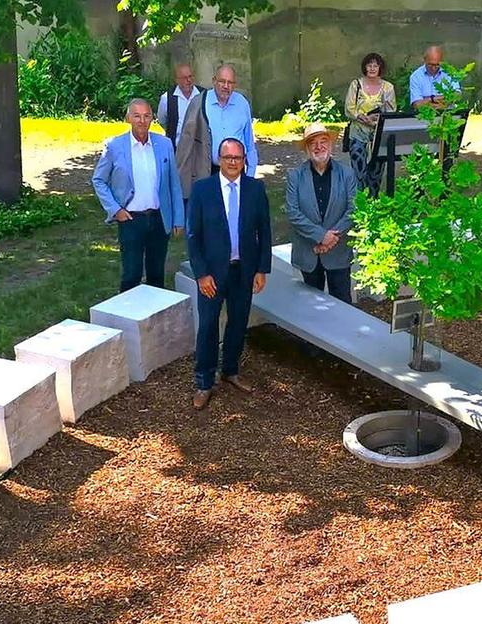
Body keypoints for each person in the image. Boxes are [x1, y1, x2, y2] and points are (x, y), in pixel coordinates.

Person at [186, 139, 273, 410]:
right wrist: (201, 274)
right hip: (212, 273)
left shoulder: (255, 189)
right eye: (227, 157)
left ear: (244, 159)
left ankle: (231, 370)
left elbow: (265, 232)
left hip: (243, 271)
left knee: (238, 322)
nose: (233, 162)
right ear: (219, 159)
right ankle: (203, 381)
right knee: (209, 325)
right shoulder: (202, 190)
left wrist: (261, 269)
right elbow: (193, 236)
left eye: (237, 157)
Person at [91, 99, 185, 292]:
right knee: (132, 274)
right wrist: (115, 210)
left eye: (146, 116)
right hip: (131, 220)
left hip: (159, 219)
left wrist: (178, 219)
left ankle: (156, 318)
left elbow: (173, 183)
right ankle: (128, 317)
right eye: (137, 116)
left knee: (157, 274)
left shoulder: (164, 144)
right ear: (128, 118)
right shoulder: (114, 147)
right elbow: (98, 180)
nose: (142, 121)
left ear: (152, 118)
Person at [285, 123, 358, 303]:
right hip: (309, 252)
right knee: (311, 308)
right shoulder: (295, 176)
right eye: (313, 143)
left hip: (338, 251)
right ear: (307, 149)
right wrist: (320, 236)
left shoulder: (347, 174)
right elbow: (293, 212)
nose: (319, 147)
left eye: (323, 141)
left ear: (331, 145)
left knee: (342, 304)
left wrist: (330, 239)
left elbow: (353, 209)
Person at [177, 64, 260, 195]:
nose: (226, 86)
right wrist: (181, 182)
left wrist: (249, 177)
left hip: (237, 173)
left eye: (230, 82)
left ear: (235, 84)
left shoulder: (242, 103)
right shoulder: (199, 103)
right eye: (222, 81)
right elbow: (186, 145)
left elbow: (249, 144)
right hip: (209, 173)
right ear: (214, 81)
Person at [344, 52, 397, 196]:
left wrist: (377, 118)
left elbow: (391, 111)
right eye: (369, 65)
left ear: (380, 68)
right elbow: (349, 109)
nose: (372, 68)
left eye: (376, 65)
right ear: (365, 67)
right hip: (358, 132)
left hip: (378, 134)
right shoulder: (356, 85)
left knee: (377, 171)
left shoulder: (388, 88)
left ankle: (373, 201)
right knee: (358, 171)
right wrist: (362, 117)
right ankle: (359, 203)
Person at [156, 63, 203, 148]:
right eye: (184, 78)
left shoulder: (203, 95)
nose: (188, 80)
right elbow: (162, 121)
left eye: (190, 76)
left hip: (200, 150)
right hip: (177, 149)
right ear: (176, 80)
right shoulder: (167, 98)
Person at [409, 45, 461, 110]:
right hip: (425, 116)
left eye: (437, 65)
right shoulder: (416, 76)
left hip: (448, 114)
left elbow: (457, 96)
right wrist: (434, 99)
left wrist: (427, 100)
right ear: (424, 60)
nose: (433, 68)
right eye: (431, 64)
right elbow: (417, 104)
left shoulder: (450, 73)